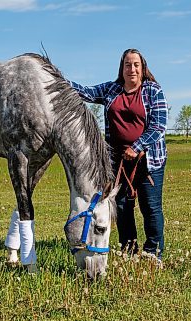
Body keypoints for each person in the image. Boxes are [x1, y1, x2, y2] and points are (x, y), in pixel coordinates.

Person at [69, 48, 168, 265]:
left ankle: (153, 252)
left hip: (148, 160)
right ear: (121, 68)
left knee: (150, 206)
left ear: (143, 69)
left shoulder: (153, 90)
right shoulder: (112, 89)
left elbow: (159, 125)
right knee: (122, 207)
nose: (131, 69)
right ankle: (129, 249)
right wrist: (56, 79)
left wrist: (138, 145)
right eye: (127, 65)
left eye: (136, 65)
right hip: (118, 162)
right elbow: (85, 92)